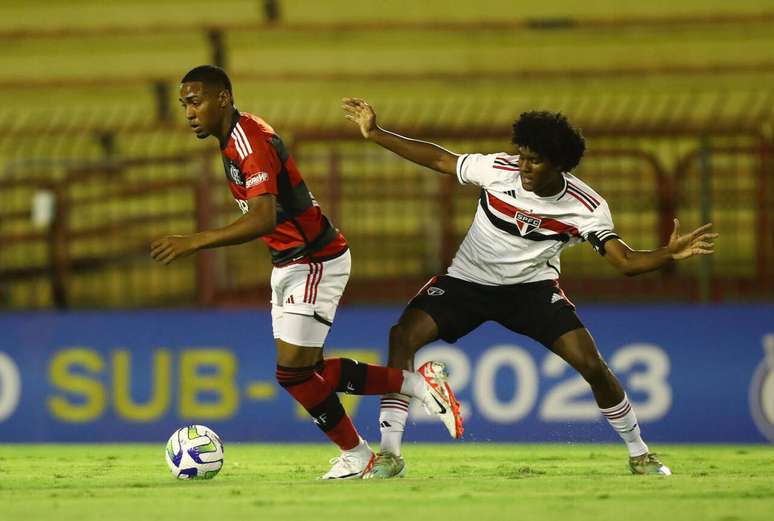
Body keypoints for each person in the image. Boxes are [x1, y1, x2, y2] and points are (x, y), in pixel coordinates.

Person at [342, 97, 719, 478]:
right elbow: (441, 159)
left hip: (531, 290)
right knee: (402, 335)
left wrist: (667, 254)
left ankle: (640, 453)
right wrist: (376, 134)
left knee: (592, 365)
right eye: (521, 155)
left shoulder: (585, 206)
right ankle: (390, 454)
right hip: (467, 281)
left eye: (534, 160)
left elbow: (624, 262)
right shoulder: (498, 169)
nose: (523, 166)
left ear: (559, 164)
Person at [150, 66, 464, 480]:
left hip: (314, 259)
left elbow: (263, 218)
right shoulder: (232, 140)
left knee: (292, 371)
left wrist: (194, 241)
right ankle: (411, 394)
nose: (189, 112)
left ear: (222, 98)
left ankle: (365, 447)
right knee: (304, 373)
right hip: (289, 260)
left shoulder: (249, 143)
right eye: (183, 104)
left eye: (196, 101)